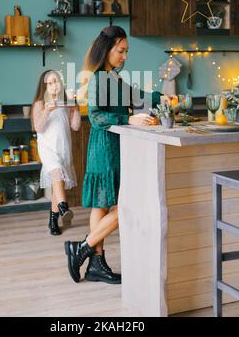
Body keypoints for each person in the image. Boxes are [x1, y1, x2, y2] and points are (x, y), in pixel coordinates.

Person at [64, 26, 161, 284]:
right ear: (107, 49)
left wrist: (164, 96)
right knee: (124, 205)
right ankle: (83, 248)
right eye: (121, 51)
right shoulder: (99, 79)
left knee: (102, 204)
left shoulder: (114, 78)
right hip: (105, 147)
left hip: (113, 147)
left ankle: (95, 264)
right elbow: (96, 116)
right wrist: (128, 117)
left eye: (126, 51)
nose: (125, 56)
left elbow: (139, 97)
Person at [31, 70, 81, 235]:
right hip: (47, 148)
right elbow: (38, 127)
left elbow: (75, 126)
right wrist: (47, 111)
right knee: (57, 174)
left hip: (63, 148)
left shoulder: (65, 104)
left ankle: (53, 220)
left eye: (57, 81)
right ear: (44, 87)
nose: (54, 85)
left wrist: (75, 109)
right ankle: (63, 208)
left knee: (57, 183)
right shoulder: (40, 103)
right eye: (50, 83)